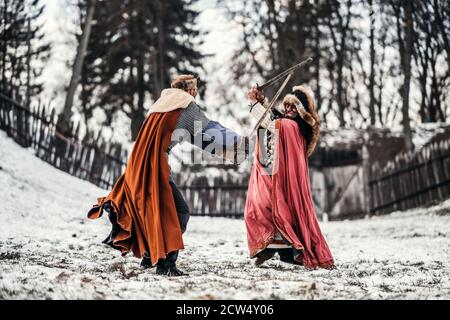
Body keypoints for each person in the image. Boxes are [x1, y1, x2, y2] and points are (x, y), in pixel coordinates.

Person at [87, 75, 247, 277]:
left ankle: (149, 257)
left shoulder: (160, 106)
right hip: (153, 166)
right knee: (179, 212)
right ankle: (166, 264)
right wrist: (241, 143)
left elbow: (198, 136)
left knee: (153, 211)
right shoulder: (185, 106)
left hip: (138, 164)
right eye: (195, 89)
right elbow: (209, 132)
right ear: (190, 91)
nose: (196, 93)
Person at [244, 84, 335, 270]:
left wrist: (254, 104)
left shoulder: (293, 127)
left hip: (285, 178)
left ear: (302, 111)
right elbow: (272, 121)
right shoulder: (286, 123)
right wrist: (262, 101)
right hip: (275, 173)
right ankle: (271, 248)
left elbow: (271, 122)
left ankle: (287, 251)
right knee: (259, 205)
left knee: (280, 208)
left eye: (294, 107)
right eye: (287, 106)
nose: (289, 110)